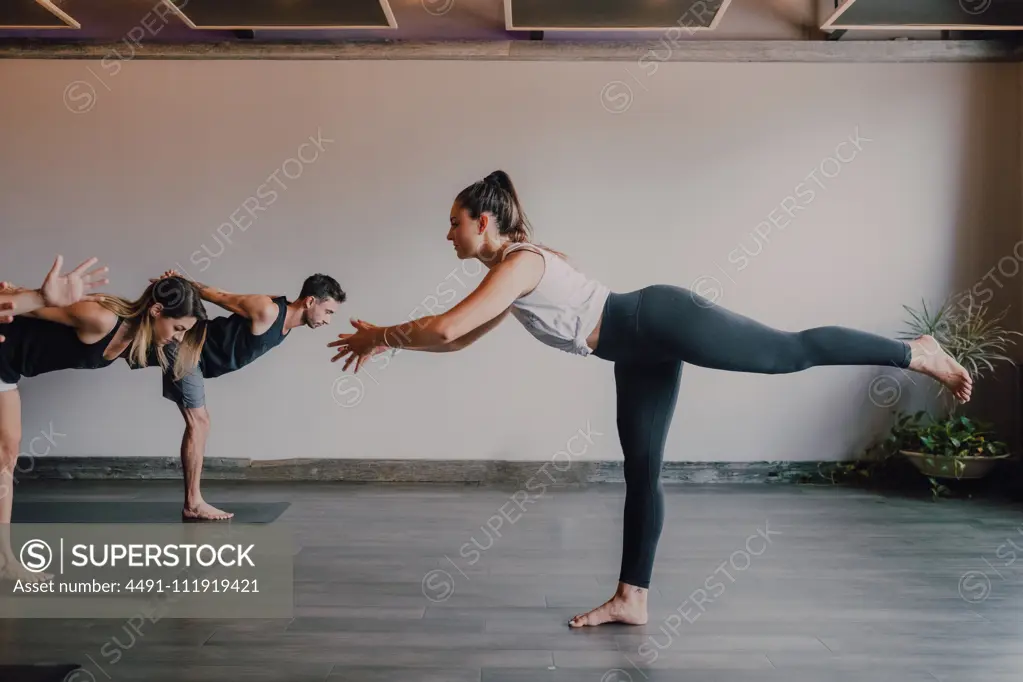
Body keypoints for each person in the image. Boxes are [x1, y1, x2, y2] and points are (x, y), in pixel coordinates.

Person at [327, 170, 973, 628]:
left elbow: (444, 328)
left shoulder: (519, 264)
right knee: (642, 472)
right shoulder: (511, 272)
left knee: (786, 352)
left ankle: (913, 351)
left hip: (653, 318)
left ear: (483, 221)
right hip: (633, 351)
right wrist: (390, 344)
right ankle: (631, 598)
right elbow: (455, 341)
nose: (447, 235)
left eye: (453, 223)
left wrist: (383, 334)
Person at [0, 258, 207, 582]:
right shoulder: (102, 319)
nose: (178, 338)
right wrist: (31, 294)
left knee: (6, 458)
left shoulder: (134, 340)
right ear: (155, 312)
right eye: (178, 328)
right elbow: (18, 305)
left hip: (7, 370)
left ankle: (4, 562)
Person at [150, 271, 346, 521]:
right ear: (310, 302)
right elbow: (220, 296)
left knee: (199, 421)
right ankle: (193, 503)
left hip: (201, 358)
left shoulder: (282, 313)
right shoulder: (268, 310)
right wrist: (177, 283)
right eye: (328, 311)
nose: (328, 321)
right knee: (199, 422)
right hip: (188, 347)